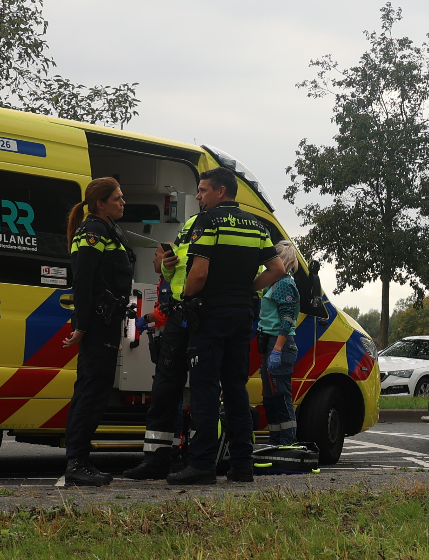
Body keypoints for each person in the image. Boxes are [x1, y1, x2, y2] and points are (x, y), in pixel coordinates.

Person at [168, 167, 286, 486]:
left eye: (203, 190)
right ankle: (242, 465)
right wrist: (248, 288)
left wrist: (184, 299)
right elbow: (276, 269)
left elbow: (200, 273)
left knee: (205, 389)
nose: (198, 196)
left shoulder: (208, 222)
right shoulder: (257, 226)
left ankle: (203, 465)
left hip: (210, 315)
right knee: (235, 389)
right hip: (242, 315)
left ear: (221, 192)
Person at [59, 177, 132, 487]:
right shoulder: (92, 231)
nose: (123, 202)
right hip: (98, 323)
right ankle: (76, 462)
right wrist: (82, 326)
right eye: (117, 198)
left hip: (107, 323)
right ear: (100, 203)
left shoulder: (106, 230)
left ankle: (82, 460)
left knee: (95, 392)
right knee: (91, 393)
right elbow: (83, 282)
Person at [121, 224, 204, 480]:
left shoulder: (175, 275)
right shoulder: (168, 275)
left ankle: (178, 451)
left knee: (175, 395)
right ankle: (162, 456)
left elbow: (165, 309)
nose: (156, 261)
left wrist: (145, 319)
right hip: (171, 336)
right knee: (166, 392)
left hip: (180, 330)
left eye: (156, 256)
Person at [252, 240, 309, 474]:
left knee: (282, 397)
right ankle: (276, 442)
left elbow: (287, 320)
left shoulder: (285, 285)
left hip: (279, 347)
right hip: (271, 346)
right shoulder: (274, 283)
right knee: (271, 398)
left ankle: (287, 443)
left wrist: (277, 349)